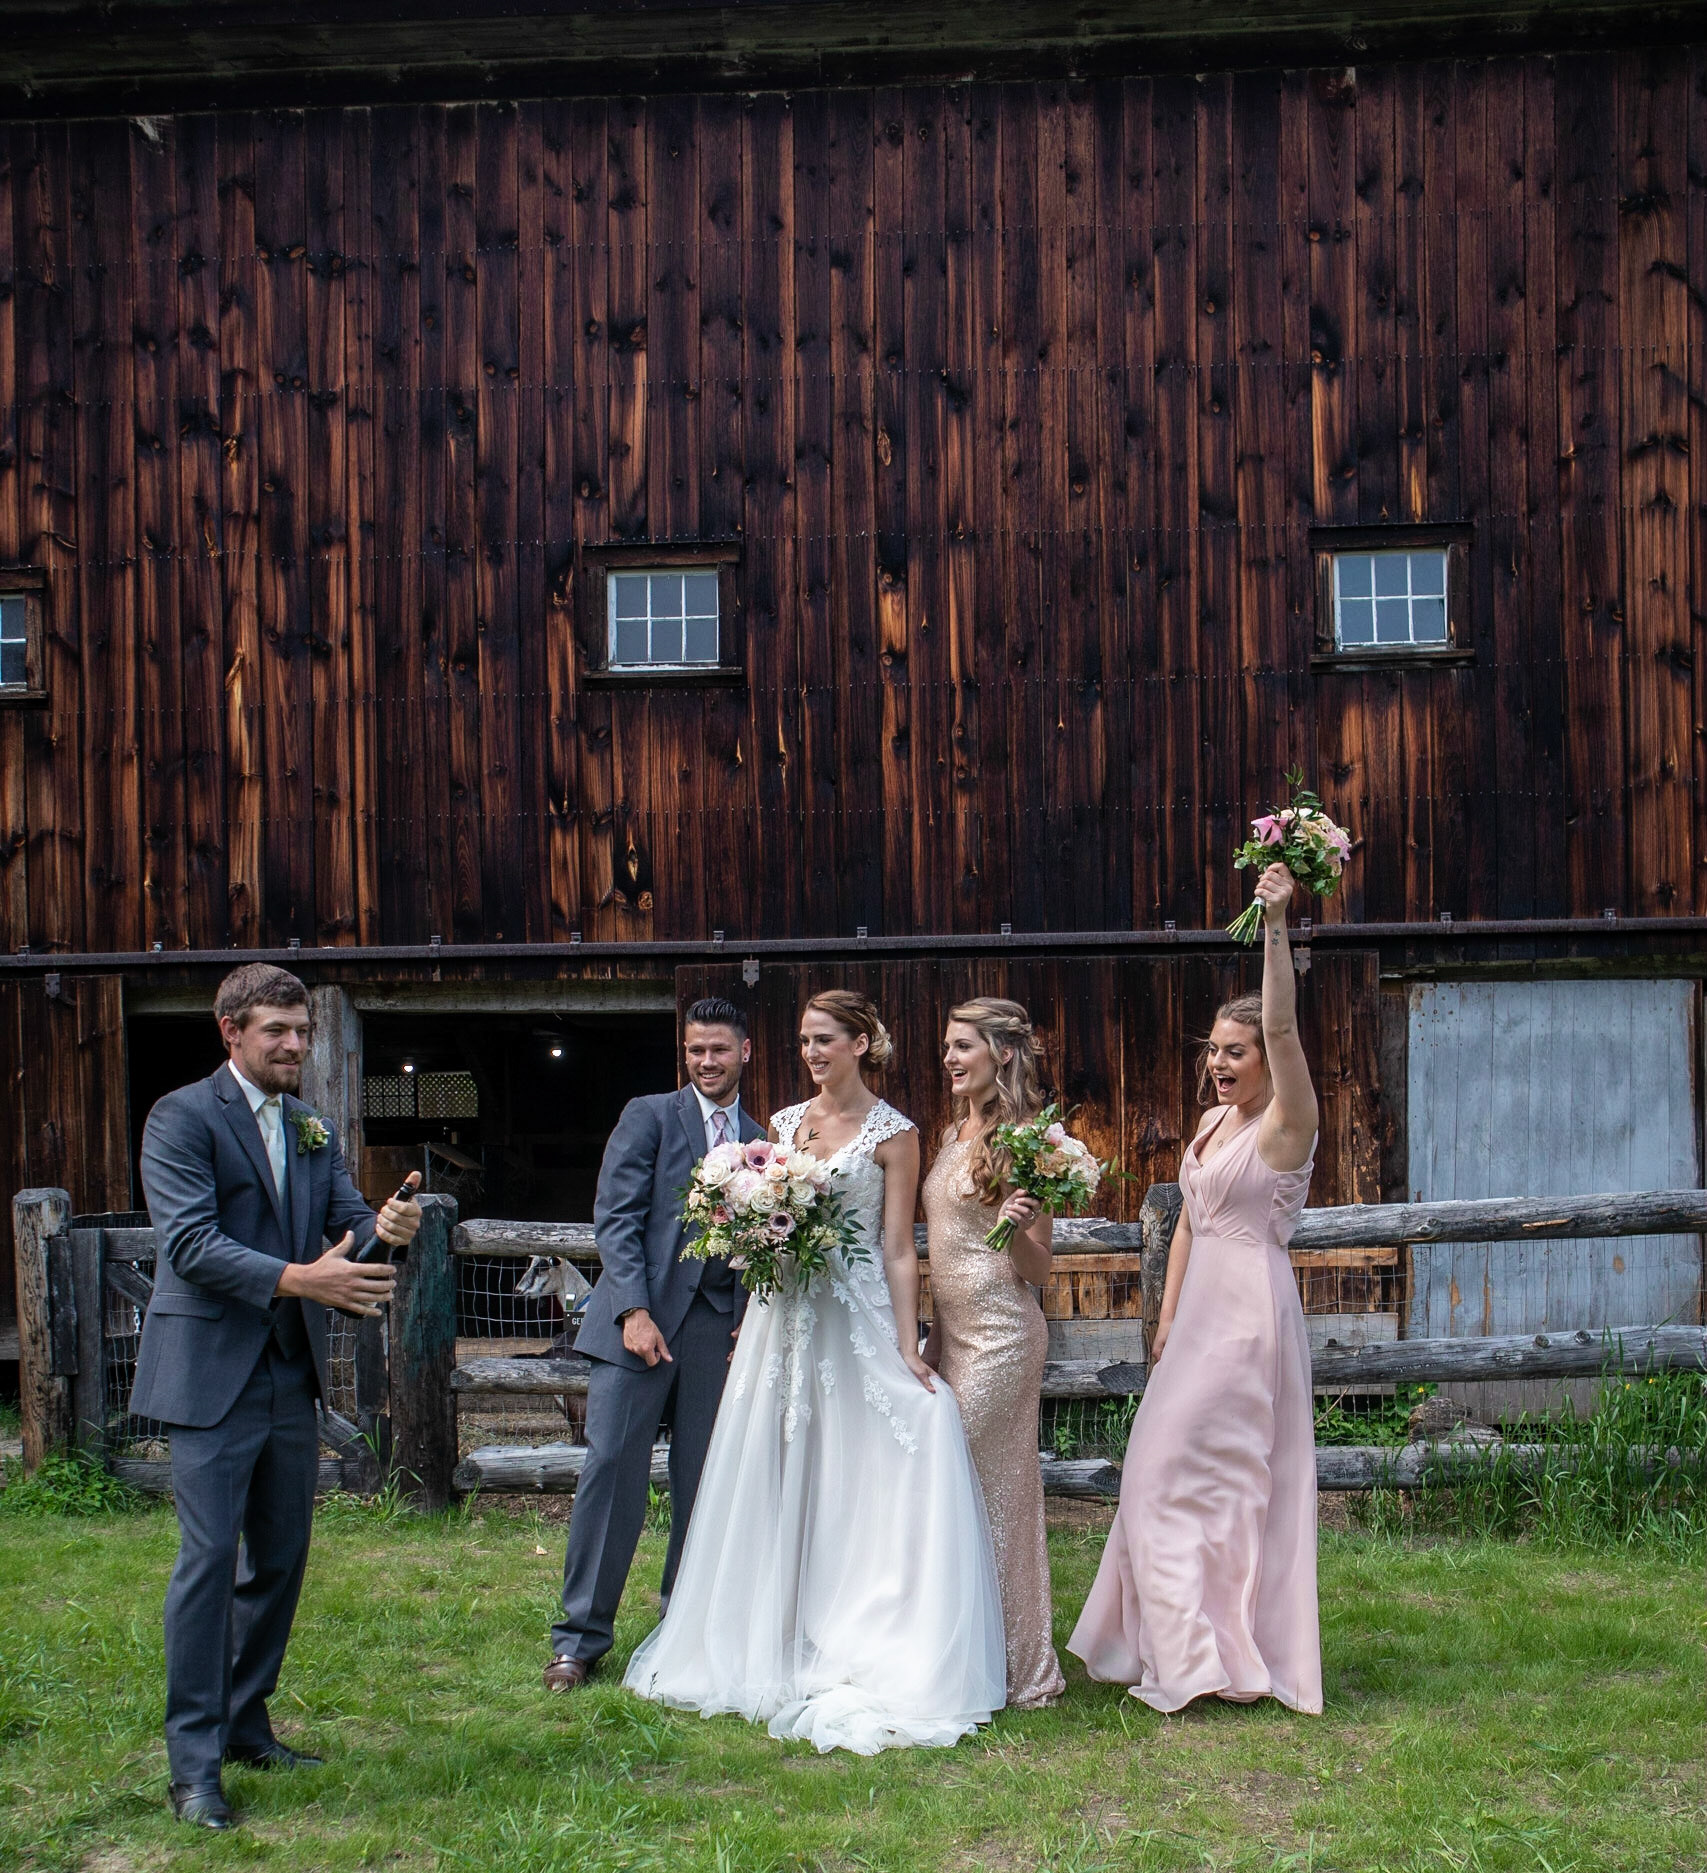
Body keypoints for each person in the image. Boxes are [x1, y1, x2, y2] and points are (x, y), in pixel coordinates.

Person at [624, 989, 1006, 1753]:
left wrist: (907, 1343)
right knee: (776, 1456)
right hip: (783, 1314)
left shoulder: (896, 1134)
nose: (811, 1052)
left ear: (860, 1043)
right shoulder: (783, 1124)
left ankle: (863, 1615)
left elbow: (896, 1247)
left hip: (852, 1312)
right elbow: (764, 1223)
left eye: (824, 1038)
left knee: (879, 1447)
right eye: (803, 1039)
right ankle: (768, 1624)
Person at [135, 964, 423, 1830]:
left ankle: (245, 1721)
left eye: (302, 1030)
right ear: (230, 1030)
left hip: (290, 1374)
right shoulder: (181, 1116)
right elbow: (190, 1243)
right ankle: (193, 1766)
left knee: (281, 1557)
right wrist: (301, 1277)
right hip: (210, 1371)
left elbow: (351, 1230)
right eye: (277, 1030)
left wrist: (386, 1228)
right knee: (207, 1563)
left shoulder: (308, 1125)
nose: (295, 1044)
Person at [1068, 862, 1322, 1713]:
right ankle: (1197, 1648)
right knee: (1157, 1473)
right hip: (1195, 1318)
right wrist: (1166, 1315)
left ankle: (1202, 1659)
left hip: (1247, 1318)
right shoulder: (1212, 1123)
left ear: (1266, 1059)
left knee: (1203, 1480)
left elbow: (1282, 1023)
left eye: (1233, 1051)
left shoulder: (1287, 1124)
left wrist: (1275, 922)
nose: (1217, 1063)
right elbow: (1184, 1221)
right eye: (1211, 1049)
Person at [544, 997, 766, 1689]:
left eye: (719, 1049)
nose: (706, 1061)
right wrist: (633, 1310)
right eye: (696, 1049)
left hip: (715, 1329)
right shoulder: (649, 1115)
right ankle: (579, 1639)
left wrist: (746, 1314)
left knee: (704, 1478)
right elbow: (615, 1217)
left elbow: (764, 1236)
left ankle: (682, 1624)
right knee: (612, 1470)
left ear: (745, 1051)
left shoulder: (762, 1140)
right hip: (635, 1324)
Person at [922, 997, 1065, 1709]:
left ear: (1002, 1052)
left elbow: (1039, 1268)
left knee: (987, 1493)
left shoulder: (1025, 1140)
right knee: (964, 1493)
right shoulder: (955, 1131)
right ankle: (966, 1654)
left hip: (1004, 1338)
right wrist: (929, 1337)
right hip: (953, 1336)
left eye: (963, 1046)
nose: (950, 1057)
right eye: (948, 1046)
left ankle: (1017, 1667)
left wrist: (1016, 1226)